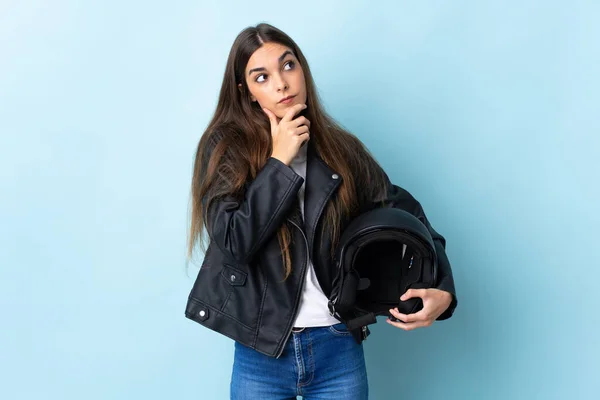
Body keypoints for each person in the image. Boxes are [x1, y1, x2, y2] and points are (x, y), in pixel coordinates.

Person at [186, 23, 457, 400]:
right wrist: (279, 162)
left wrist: (442, 288)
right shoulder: (225, 150)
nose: (281, 83)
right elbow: (234, 241)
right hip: (261, 353)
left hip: (337, 348)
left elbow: (408, 215)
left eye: (288, 66)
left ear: (303, 71)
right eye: (261, 76)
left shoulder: (340, 150)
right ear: (245, 92)